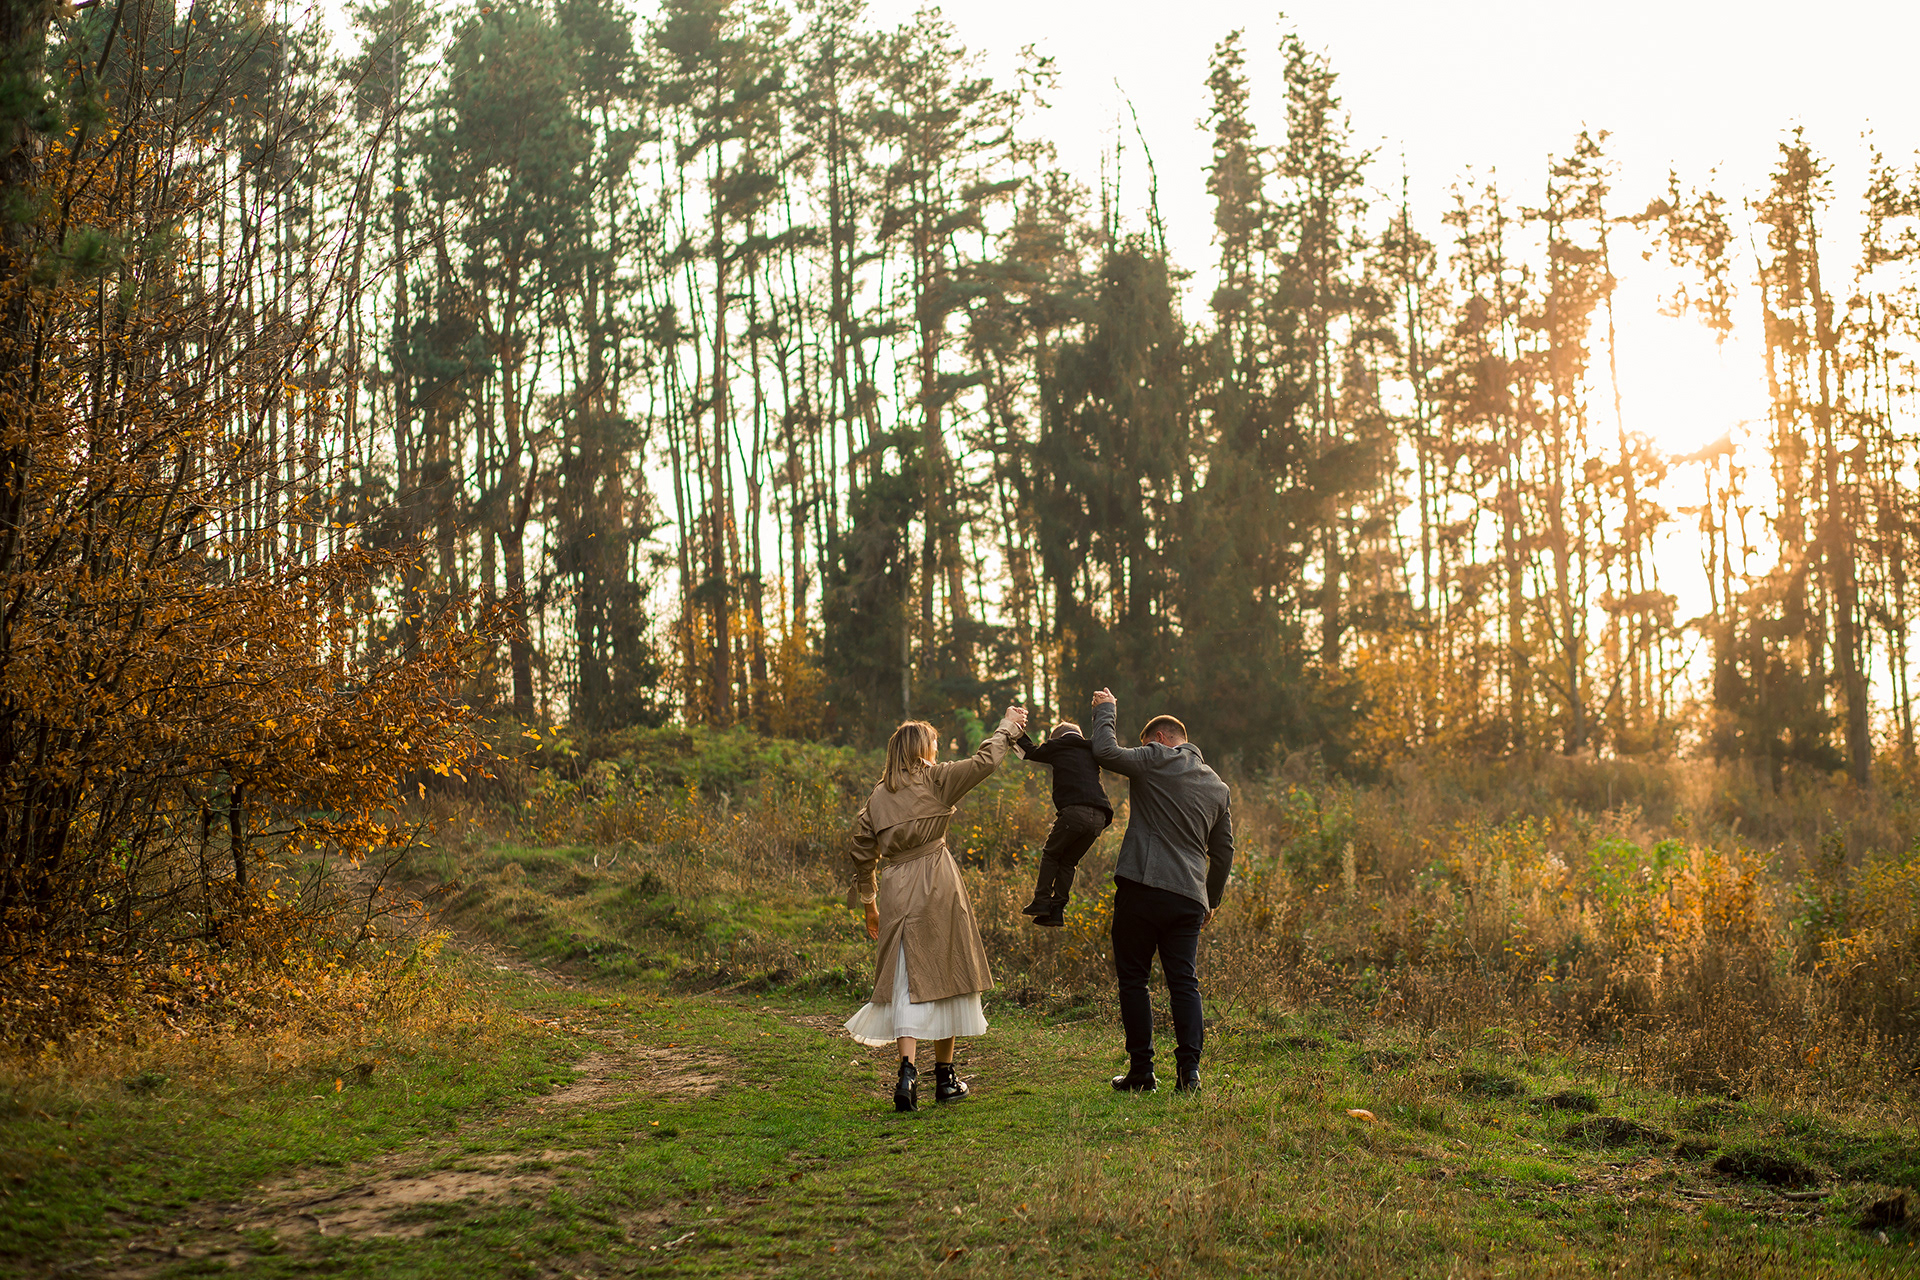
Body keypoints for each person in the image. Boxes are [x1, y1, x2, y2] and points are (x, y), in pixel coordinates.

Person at [844, 706, 1029, 1112]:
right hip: (937, 883)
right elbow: (984, 763)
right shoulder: (935, 779)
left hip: (895, 889)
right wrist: (1007, 727)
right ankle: (945, 1078)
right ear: (920, 750)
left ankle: (907, 1073)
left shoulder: (878, 797)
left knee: (905, 978)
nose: (936, 751)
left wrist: (870, 903)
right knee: (949, 969)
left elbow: (860, 850)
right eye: (933, 744)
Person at [1087, 688, 1233, 1094]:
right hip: (1188, 898)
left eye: (1146, 743)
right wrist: (1210, 900)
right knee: (1184, 982)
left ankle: (1142, 1072)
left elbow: (1105, 751)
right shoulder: (1218, 787)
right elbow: (1224, 853)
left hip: (1142, 887)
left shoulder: (1155, 757)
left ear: (1160, 739)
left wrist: (1106, 710)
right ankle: (1189, 1074)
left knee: (1134, 980)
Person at [1012, 721, 1113, 927]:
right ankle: (1057, 911)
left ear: (1056, 737)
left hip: (1074, 812)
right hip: (1100, 817)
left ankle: (1041, 901)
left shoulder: (1058, 746)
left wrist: (1015, 729)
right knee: (1068, 862)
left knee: (1051, 854)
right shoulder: (1092, 749)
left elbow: (1030, 751)